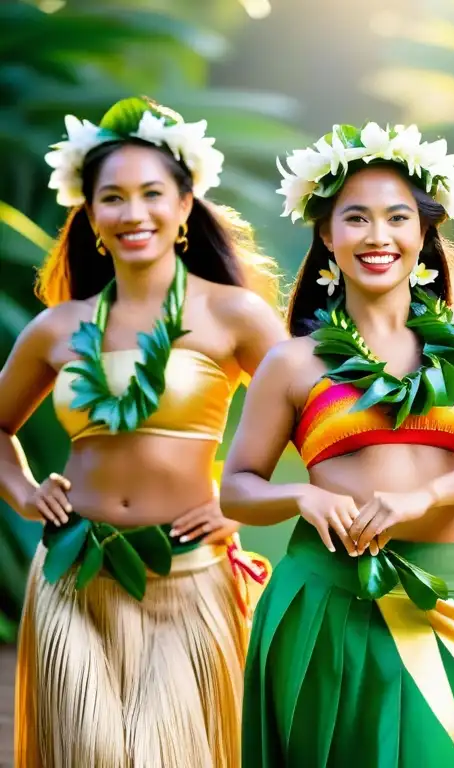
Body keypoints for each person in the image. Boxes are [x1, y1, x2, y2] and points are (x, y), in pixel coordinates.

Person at [219, 121, 454, 767]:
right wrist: (301, 493)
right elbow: (238, 488)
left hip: (448, 599)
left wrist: (425, 496)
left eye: (397, 217)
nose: (378, 236)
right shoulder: (292, 362)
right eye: (355, 218)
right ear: (327, 235)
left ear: (422, 234)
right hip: (328, 603)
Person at [0, 96, 286, 767]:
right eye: (113, 198)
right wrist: (21, 489)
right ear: (91, 215)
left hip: (187, 572)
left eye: (152, 193)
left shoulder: (234, 316)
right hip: (73, 574)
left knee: (172, 754)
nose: (134, 214)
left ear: (186, 206)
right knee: (89, 753)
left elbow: (318, 423)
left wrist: (238, 495)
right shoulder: (58, 328)